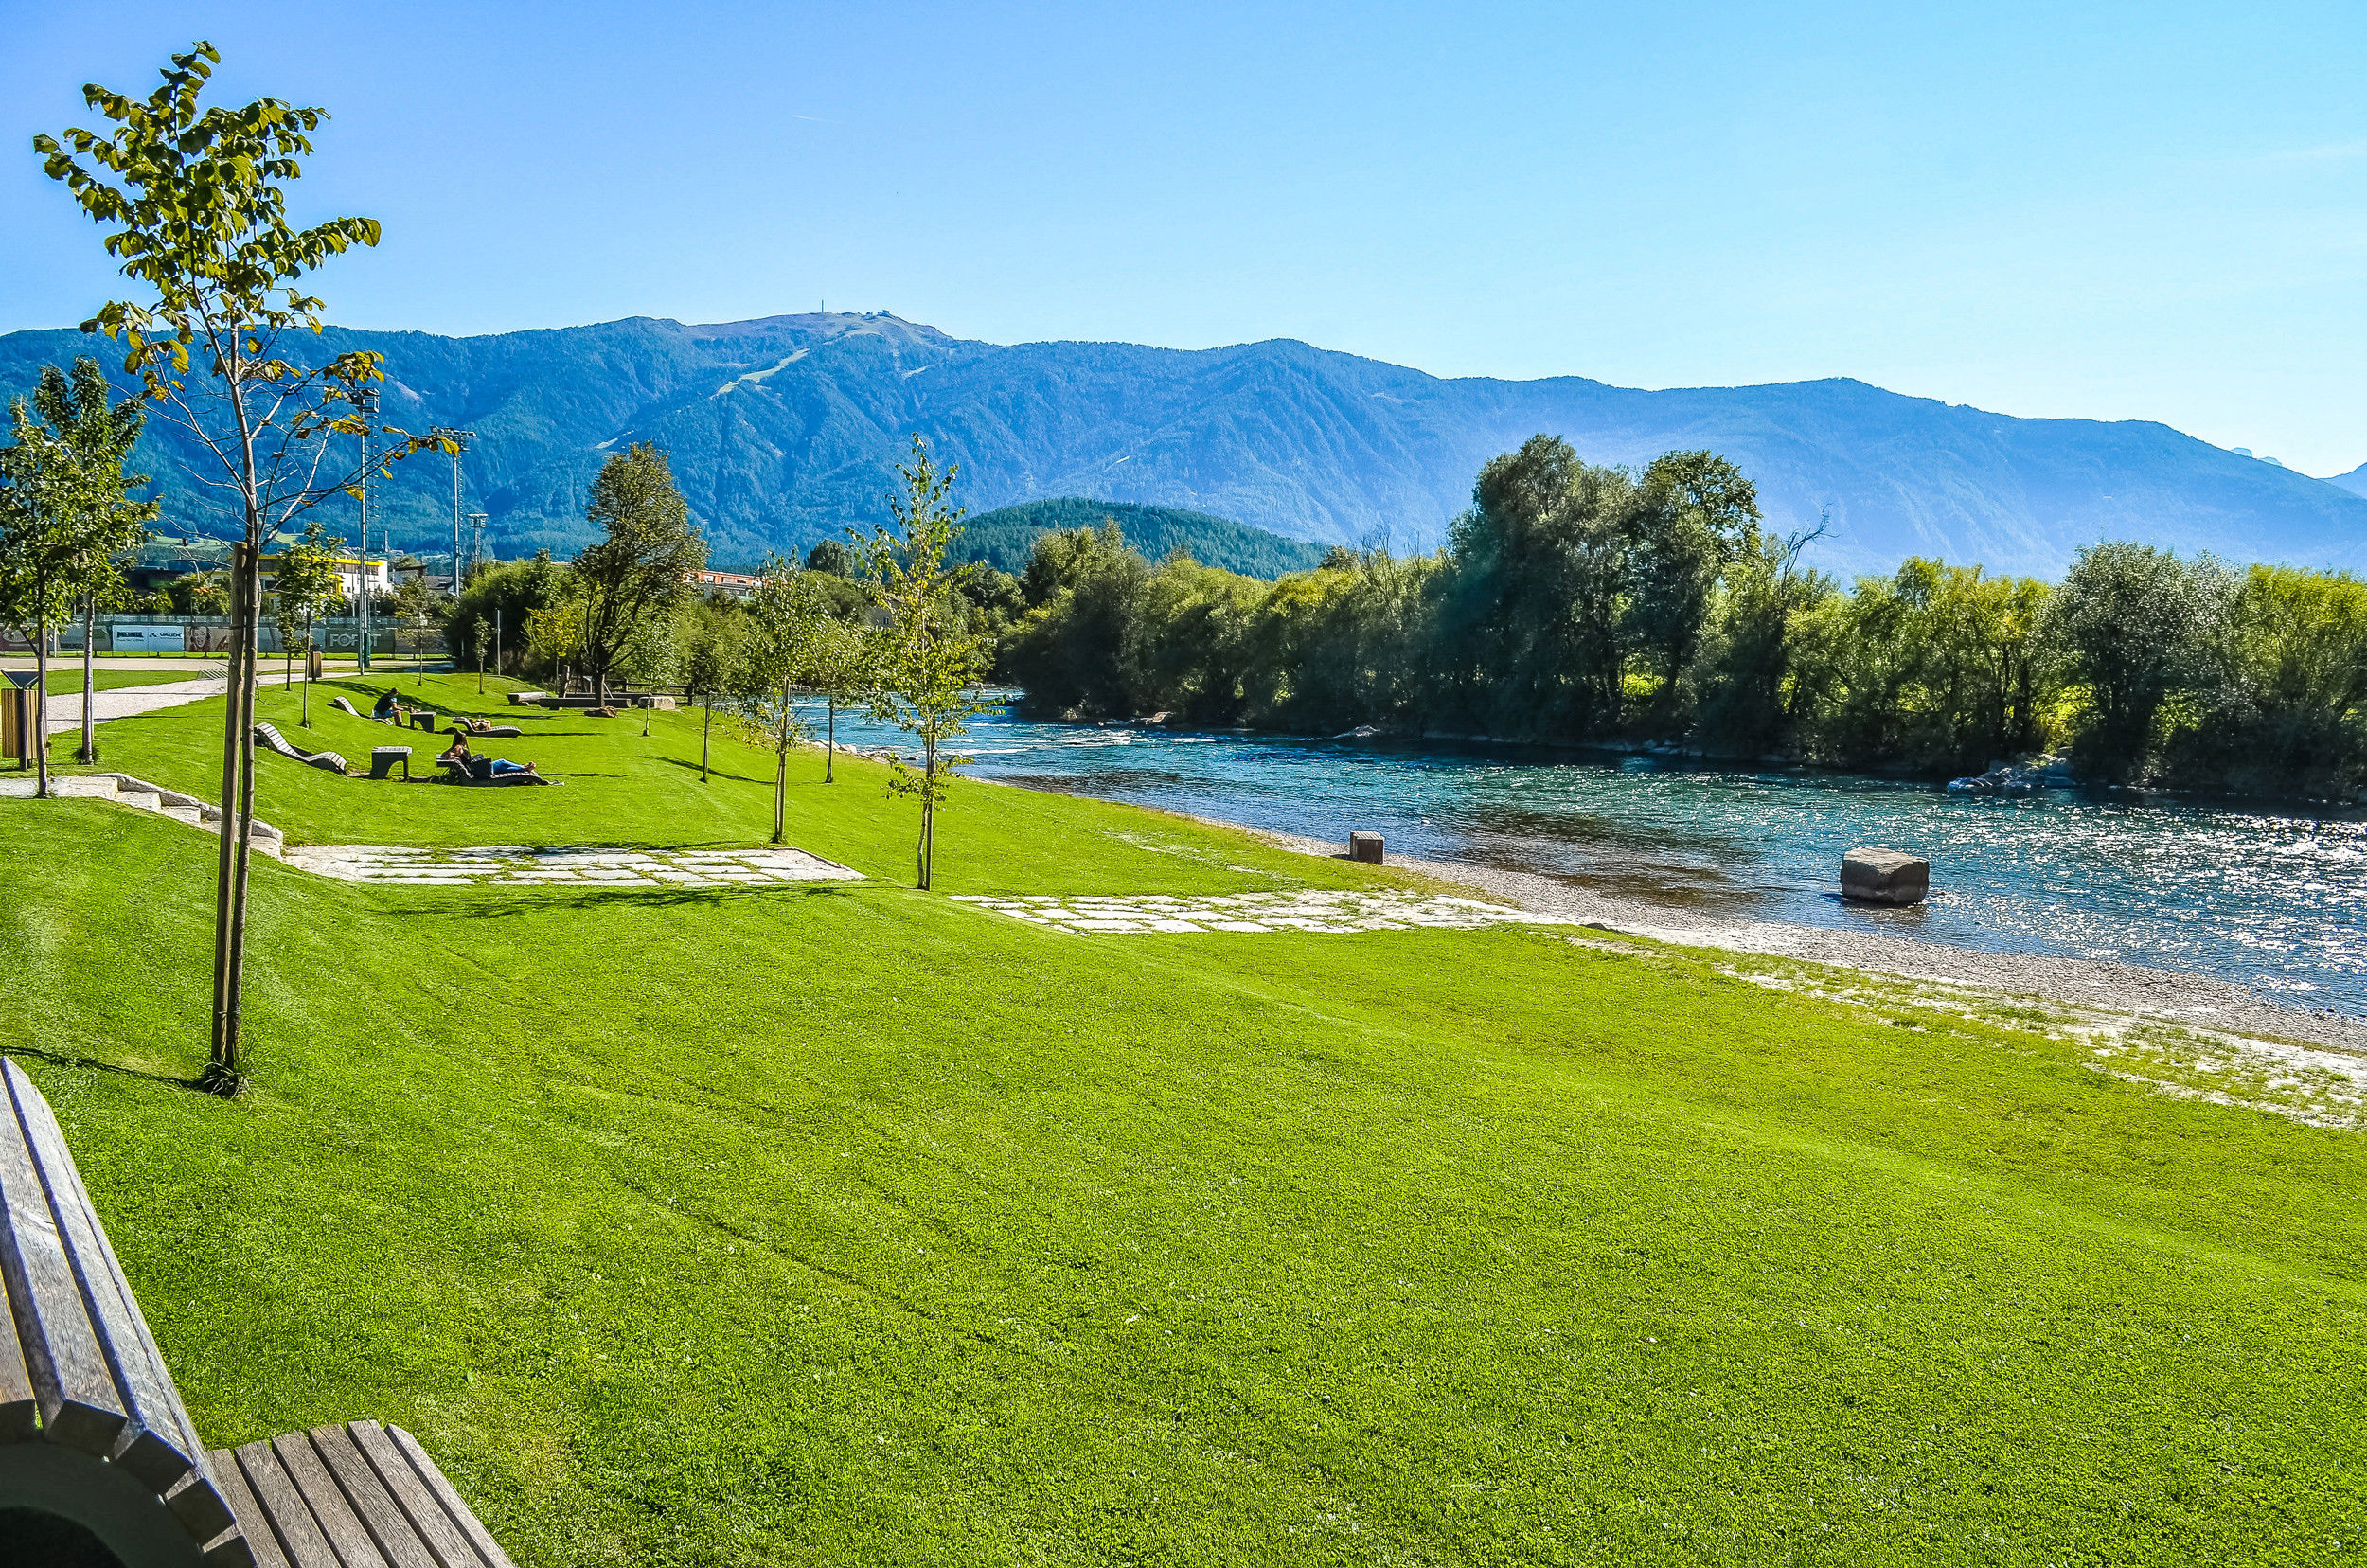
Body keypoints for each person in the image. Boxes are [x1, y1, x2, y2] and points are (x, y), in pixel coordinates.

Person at [437, 734, 538, 779]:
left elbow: (444, 754)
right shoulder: (458, 748)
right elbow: (449, 755)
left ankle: (522, 768)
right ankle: (523, 767)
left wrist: (456, 758)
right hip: (478, 770)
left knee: (502, 767)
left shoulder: (456, 747)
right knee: (502, 762)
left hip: (476, 768)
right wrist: (456, 758)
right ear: (462, 739)